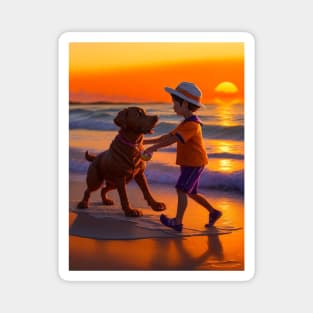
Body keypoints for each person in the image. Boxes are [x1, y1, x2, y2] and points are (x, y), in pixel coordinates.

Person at [143, 82, 222, 232]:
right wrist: (145, 141)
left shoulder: (192, 125)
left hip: (194, 163)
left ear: (184, 104)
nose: (173, 106)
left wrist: (153, 148)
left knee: (181, 189)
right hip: (189, 163)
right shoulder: (186, 123)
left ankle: (177, 222)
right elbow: (168, 136)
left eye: (175, 103)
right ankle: (214, 212)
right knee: (191, 192)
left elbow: (174, 140)